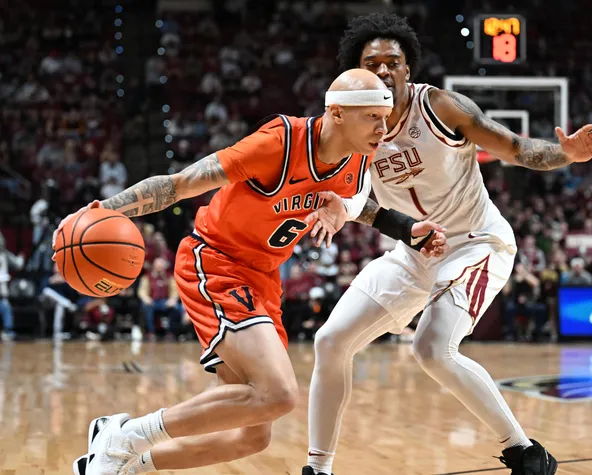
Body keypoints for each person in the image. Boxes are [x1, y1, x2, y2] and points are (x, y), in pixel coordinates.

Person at [54, 68, 447, 475]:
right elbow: (181, 183)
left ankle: (124, 466)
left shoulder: (357, 163)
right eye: (373, 117)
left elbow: (355, 205)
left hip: (263, 279)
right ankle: (122, 437)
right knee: (278, 393)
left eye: (385, 118)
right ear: (338, 113)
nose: (384, 129)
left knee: (251, 436)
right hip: (217, 261)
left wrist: (405, 229)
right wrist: (109, 208)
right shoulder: (278, 143)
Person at [301, 13, 592, 475]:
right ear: (356, 71)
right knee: (331, 340)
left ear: (408, 68)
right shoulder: (353, 130)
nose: (383, 70)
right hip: (413, 250)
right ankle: (317, 469)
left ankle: (526, 453)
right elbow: (360, 204)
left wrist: (567, 153)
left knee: (432, 348)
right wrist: (340, 209)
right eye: (372, 62)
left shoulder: (442, 108)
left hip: (475, 243)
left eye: (393, 62)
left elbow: (516, 149)